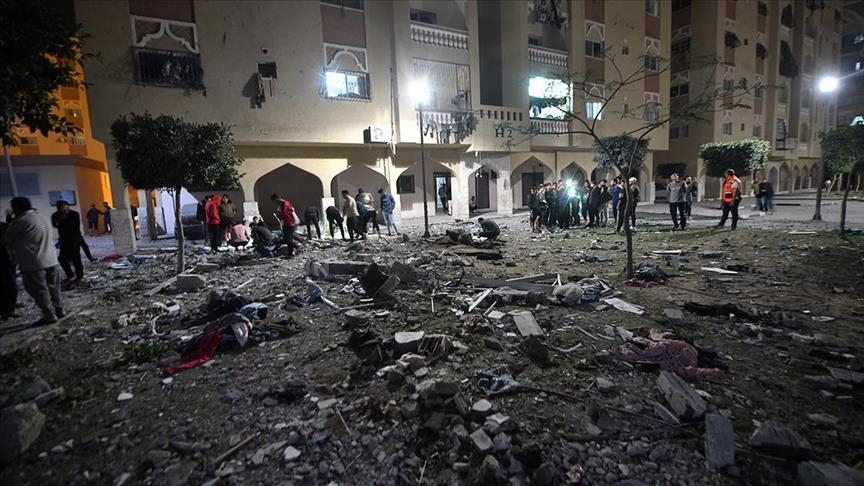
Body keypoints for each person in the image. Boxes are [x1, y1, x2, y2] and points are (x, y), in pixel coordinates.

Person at [3, 197, 64, 326]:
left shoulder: (21, 221)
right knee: (54, 288)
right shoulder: (41, 216)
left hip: (34, 262)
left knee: (39, 290)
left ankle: (49, 316)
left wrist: (9, 219)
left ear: (16, 208)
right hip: (51, 259)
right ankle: (59, 310)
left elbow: (6, 239)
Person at [51, 201, 85, 283]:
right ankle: (70, 275)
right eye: (61, 207)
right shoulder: (55, 215)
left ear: (67, 206)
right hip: (63, 239)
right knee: (62, 259)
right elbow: (55, 224)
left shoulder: (74, 214)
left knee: (76, 258)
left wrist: (62, 222)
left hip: (74, 239)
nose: (63, 208)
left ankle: (79, 276)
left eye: (64, 206)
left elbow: (75, 226)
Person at [0, 218, 18, 320]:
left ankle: (8, 309)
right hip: (8, 261)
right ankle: (8, 309)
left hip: (7, 261)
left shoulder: (5, 227)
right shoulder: (5, 226)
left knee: (9, 285)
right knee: (9, 285)